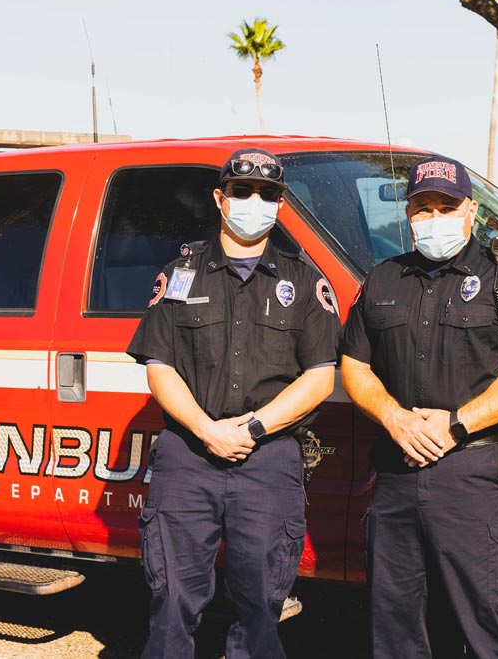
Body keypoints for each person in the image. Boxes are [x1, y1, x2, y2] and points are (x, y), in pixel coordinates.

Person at [338, 155, 498, 658]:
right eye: (424, 208)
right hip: (397, 473)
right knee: (396, 627)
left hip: (474, 474)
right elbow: (355, 366)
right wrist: (394, 418)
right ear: (408, 213)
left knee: (487, 625)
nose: (434, 217)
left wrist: (457, 425)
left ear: (471, 211)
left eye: (447, 206)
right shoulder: (382, 280)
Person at [127, 147, 339, 659]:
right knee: (172, 600)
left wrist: (253, 431)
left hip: (268, 460)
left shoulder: (306, 282)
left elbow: (320, 377)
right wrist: (206, 430)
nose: (254, 201)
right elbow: (160, 366)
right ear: (221, 198)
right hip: (187, 457)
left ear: (281, 203)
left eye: (268, 194)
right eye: (242, 191)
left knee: (262, 606)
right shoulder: (180, 274)